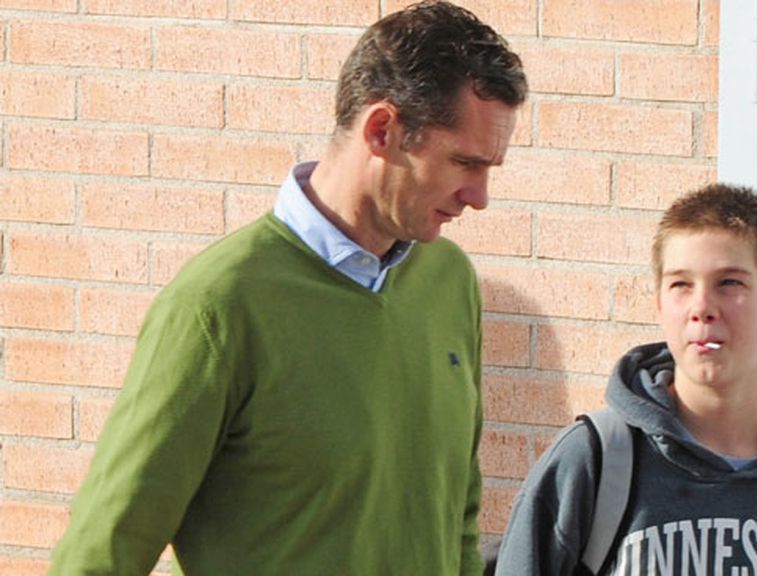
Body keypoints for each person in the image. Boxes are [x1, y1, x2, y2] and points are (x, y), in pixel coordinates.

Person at [49, 2, 527, 574]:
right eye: (465, 163)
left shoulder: (447, 281)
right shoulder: (218, 306)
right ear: (382, 131)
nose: (480, 196)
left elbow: (459, 514)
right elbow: (106, 547)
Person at [495, 184, 757, 575]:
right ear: (660, 304)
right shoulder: (594, 460)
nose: (701, 308)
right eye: (681, 284)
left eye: (729, 283)